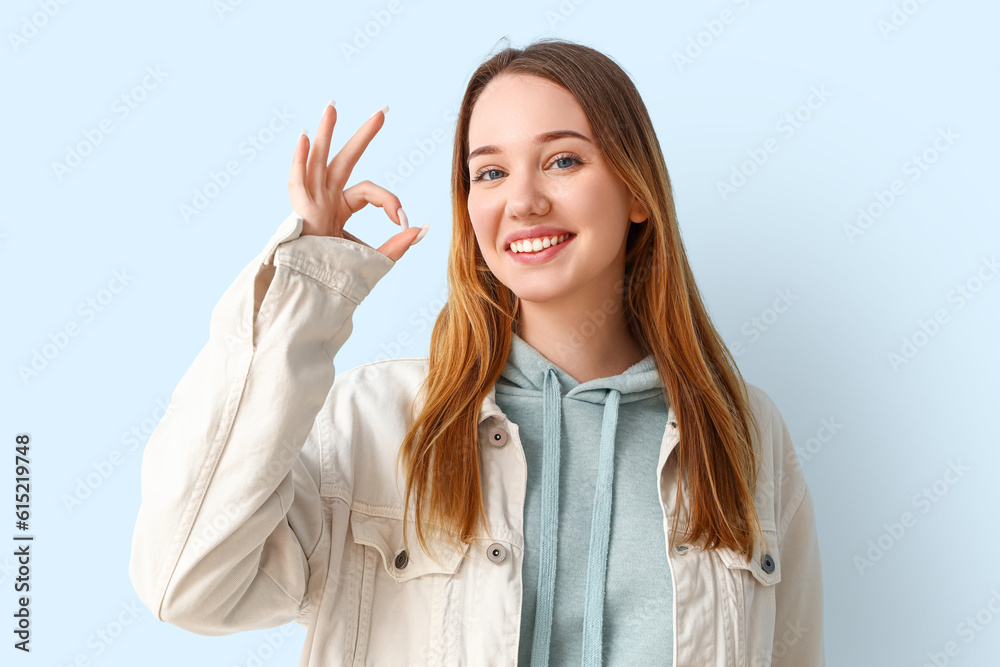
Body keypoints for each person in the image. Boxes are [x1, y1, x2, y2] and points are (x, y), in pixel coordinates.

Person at [129, 38, 825, 666]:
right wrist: (306, 286)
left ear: (635, 190)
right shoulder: (378, 420)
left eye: (563, 160)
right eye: (488, 174)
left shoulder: (743, 431)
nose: (522, 201)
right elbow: (186, 579)